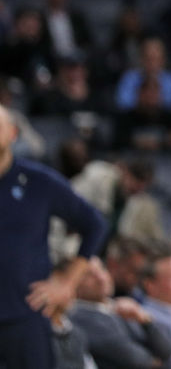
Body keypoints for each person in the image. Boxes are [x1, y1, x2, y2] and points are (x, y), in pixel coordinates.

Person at [0, 103, 107, 369]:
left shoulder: (39, 182)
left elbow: (94, 224)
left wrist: (68, 282)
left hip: (24, 316)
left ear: (13, 133)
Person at [67, 257, 171, 369]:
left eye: (102, 269)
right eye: (88, 275)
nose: (100, 278)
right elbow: (136, 359)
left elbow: (167, 351)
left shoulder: (122, 307)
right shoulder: (79, 316)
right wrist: (158, 362)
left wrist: (145, 321)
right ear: (72, 282)